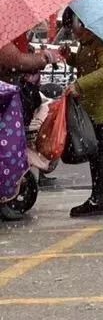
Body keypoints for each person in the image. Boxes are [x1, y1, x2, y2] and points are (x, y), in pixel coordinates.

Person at [60, 8, 103, 218]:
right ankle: (96, 198)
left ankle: (98, 199)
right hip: (94, 108)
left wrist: (79, 85)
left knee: (102, 155)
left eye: (74, 28)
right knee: (95, 154)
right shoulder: (88, 42)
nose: (74, 33)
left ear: (83, 23)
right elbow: (88, 64)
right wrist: (69, 57)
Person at [0, 34, 60, 221]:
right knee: (7, 151)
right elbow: (15, 60)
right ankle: (4, 197)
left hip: (7, 98)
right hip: (5, 102)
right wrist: (43, 58)